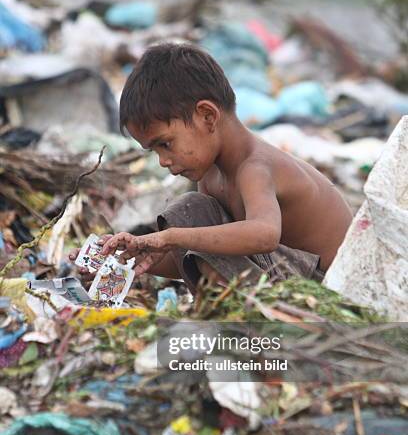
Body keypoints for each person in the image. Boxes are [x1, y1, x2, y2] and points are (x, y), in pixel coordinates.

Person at [70, 43, 352, 294]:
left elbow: (265, 234)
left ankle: (243, 326)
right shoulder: (212, 176)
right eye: (154, 151)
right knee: (192, 217)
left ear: (207, 116)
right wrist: (129, 258)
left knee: (189, 211)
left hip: (326, 290)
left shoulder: (255, 167)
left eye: (165, 144)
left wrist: (169, 237)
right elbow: (203, 256)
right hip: (292, 277)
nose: (163, 161)